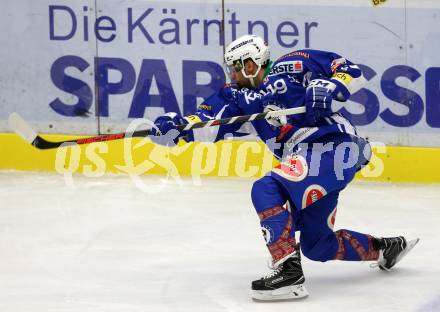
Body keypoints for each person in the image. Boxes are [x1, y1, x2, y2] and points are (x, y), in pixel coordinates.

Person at [151, 35, 419, 301]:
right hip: (313, 162)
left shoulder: (293, 64)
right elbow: (206, 123)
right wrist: (175, 127)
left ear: (251, 64)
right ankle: (387, 249)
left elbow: (349, 70)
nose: (232, 73)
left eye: (235, 66)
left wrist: (331, 86)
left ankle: (289, 272)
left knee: (266, 188)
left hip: (335, 148)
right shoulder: (236, 97)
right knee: (317, 245)